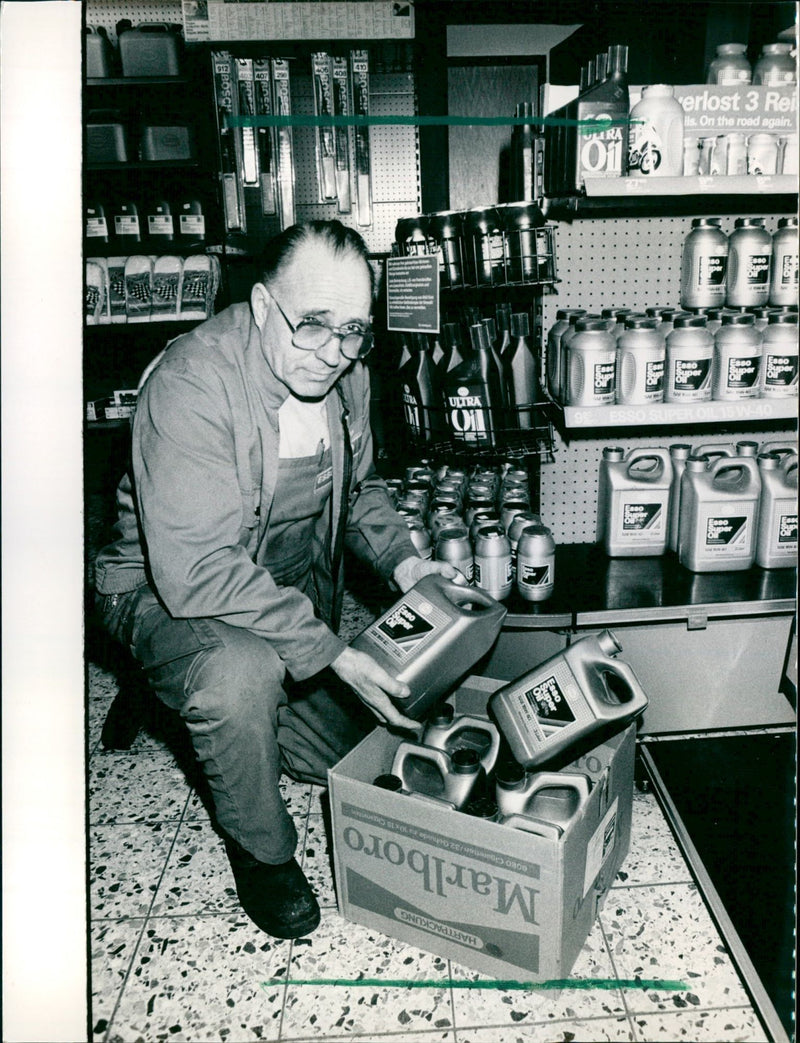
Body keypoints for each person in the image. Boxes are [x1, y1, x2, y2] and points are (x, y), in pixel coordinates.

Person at [94, 220, 464, 939]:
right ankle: (262, 853)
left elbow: (359, 492)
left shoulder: (345, 372)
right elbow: (197, 569)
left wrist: (407, 561)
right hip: (163, 587)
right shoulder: (190, 384)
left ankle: (177, 694)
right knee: (238, 674)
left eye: (354, 330)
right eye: (315, 326)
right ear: (264, 307)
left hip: (277, 589)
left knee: (362, 757)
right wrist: (327, 651)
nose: (335, 353)